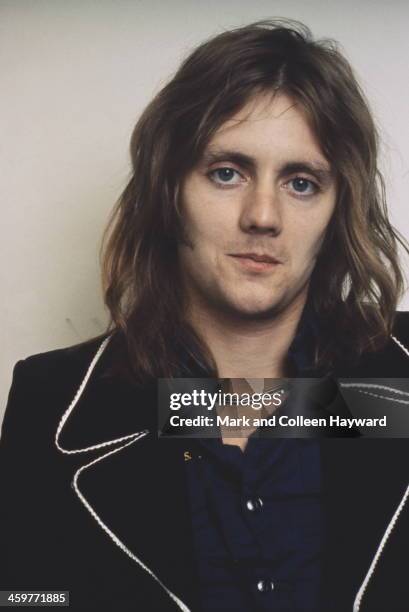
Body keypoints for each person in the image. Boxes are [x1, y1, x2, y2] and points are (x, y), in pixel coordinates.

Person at [1, 19, 409, 612]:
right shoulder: (54, 399)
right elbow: (27, 597)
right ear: (169, 192)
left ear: (336, 207)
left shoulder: (399, 380)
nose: (263, 215)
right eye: (226, 173)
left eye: (301, 182)